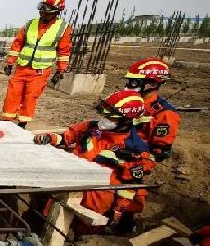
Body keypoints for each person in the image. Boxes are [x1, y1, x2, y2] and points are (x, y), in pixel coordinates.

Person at [33, 90, 156, 232]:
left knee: (82, 230)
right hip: (71, 184)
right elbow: (68, 136)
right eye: (103, 115)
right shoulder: (91, 127)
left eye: (110, 117)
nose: (103, 119)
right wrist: (50, 138)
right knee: (49, 217)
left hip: (98, 197)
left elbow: (131, 184)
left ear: (126, 120)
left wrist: (118, 211)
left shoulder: (134, 148)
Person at [2, 0, 72, 128]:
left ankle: (22, 123)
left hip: (40, 71)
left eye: (47, 12)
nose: (43, 14)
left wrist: (61, 70)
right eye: (42, 10)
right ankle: (7, 122)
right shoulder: (30, 24)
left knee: (30, 97)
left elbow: (64, 51)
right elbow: (18, 43)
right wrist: (10, 62)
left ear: (57, 12)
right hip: (22, 67)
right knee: (12, 94)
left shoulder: (63, 28)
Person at [124, 58, 180, 162]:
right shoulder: (129, 102)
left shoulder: (165, 114)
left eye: (135, 82)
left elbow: (159, 152)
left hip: (135, 156)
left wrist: (133, 155)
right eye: (129, 81)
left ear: (153, 85)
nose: (129, 85)